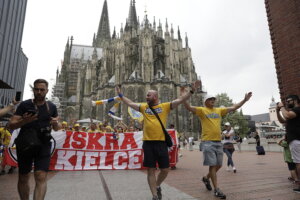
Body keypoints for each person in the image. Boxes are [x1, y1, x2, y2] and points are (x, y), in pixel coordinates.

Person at [115, 80, 200, 200]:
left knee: (165, 170)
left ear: (155, 96)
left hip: (161, 143)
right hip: (148, 143)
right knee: (151, 170)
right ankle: (154, 195)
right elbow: (130, 103)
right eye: (146, 95)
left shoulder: (164, 106)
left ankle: (158, 185)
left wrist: (192, 90)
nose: (146, 97)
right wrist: (120, 95)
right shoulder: (143, 107)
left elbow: (180, 100)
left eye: (148, 95)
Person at [182, 90, 252, 199]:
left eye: (214, 99)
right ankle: (216, 190)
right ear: (205, 101)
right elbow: (189, 107)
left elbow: (234, 107)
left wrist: (244, 100)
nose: (213, 100)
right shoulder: (202, 110)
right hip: (207, 142)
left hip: (218, 142)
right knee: (213, 165)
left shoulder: (219, 110)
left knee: (219, 165)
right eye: (210, 99)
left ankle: (206, 178)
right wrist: (184, 97)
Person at [9, 79, 59, 200]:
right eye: (36, 89)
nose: (39, 92)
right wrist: (24, 121)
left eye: (42, 89)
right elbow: (11, 124)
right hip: (26, 144)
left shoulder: (51, 107)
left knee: (41, 175)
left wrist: (56, 123)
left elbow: (57, 128)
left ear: (47, 91)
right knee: (23, 177)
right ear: (33, 90)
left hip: (44, 144)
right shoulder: (25, 105)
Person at [276, 94, 300, 193]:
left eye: (288, 101)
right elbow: (282, 120)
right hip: (295, 140)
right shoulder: (293, 113)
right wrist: (277, 111)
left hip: (296, 140)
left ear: (295, 101)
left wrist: (281, 107)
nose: (286, 103)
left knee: (298, 163)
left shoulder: (297, 110)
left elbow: (287, 115)